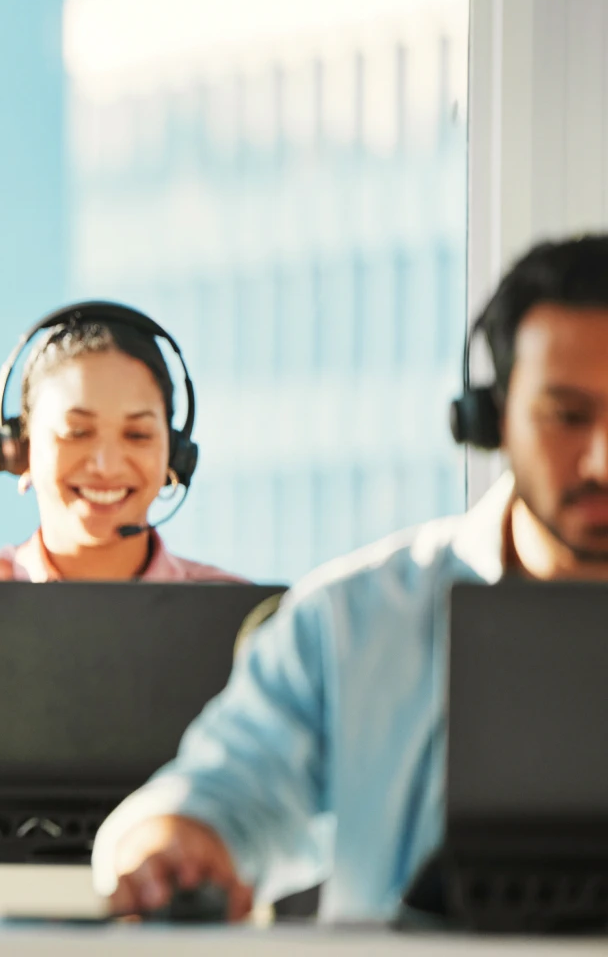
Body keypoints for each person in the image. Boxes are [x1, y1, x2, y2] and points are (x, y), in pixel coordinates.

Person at [94, 234, 608, 922]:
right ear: (492, 419)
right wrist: (177, 845)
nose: (602, 460)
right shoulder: (356, 617)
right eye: (567, 417)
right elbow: (223, 792)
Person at [0, 303, 243, 853]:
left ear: (174, 456)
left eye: (138, 436)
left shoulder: (236, 618)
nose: (106, 463)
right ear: (18, 451)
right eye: (77, 432)